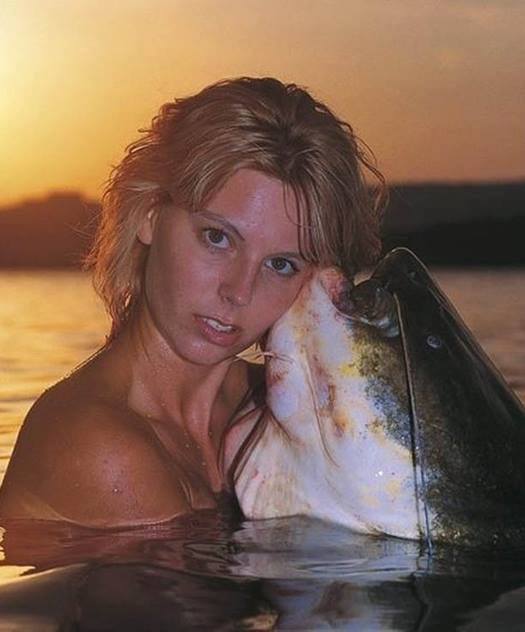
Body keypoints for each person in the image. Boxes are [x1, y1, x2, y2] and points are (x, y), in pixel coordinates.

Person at [0, 77, 384, 527]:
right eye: (217, 238)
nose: (239, 291)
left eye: (281, 264)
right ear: (149, 214)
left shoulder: (273, 409)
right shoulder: (100, 450)